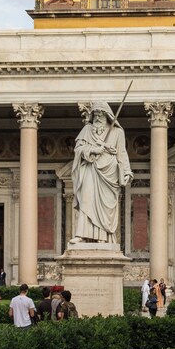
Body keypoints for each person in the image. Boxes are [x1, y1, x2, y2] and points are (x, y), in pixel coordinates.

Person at [70, 102, 133, 244]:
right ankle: (81, 234)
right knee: (86, 199)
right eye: (95, 114)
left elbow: (122, 154)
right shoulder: (86, 130)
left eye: (101, 114)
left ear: (107, 115)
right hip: (90, 169)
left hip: (109, 172)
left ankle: (103, 237)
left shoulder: (117, 132)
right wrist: (93, 150)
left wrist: (127, 171)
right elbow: (78, 150)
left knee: (106, 206)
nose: (98, 117)